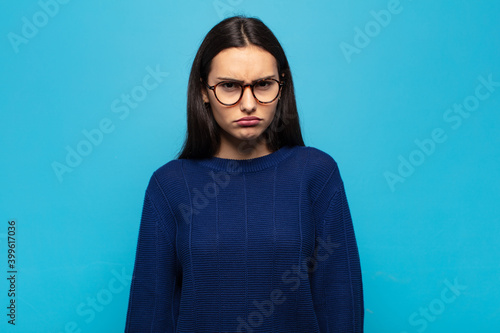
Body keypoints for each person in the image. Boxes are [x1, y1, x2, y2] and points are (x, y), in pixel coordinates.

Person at [125, 15, 364, 332]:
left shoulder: (316, 174)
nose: (248, 103)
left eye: (263, 84)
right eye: (229, 86)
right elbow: (149, 313)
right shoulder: (169, 185)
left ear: (282, 86)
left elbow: (340, 305)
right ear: (203, 92)